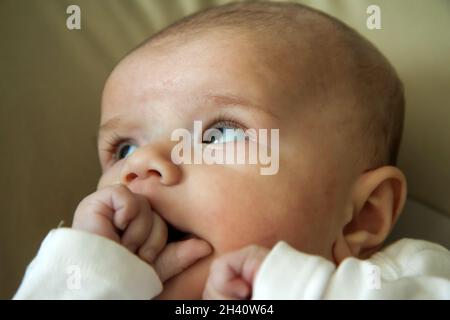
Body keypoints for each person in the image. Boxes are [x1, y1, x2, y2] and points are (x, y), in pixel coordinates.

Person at [14, 1, 450, 299]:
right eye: (124, 148)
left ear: (362, 214)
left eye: (218, 135)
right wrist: (88, 268)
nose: (141, 166)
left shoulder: (398, 278)